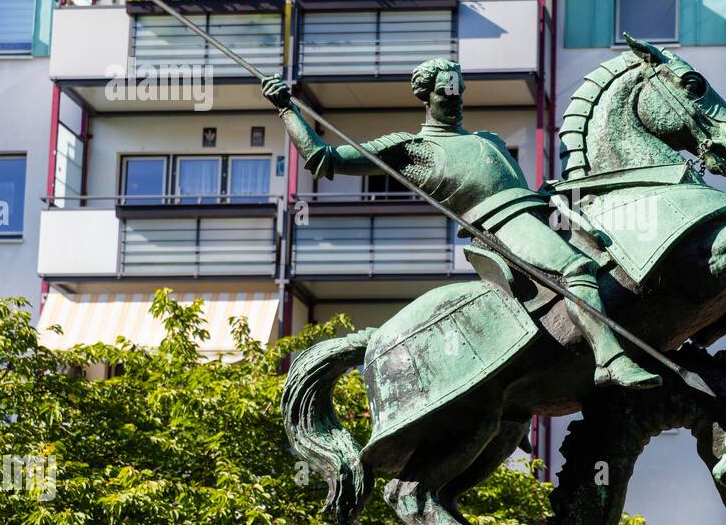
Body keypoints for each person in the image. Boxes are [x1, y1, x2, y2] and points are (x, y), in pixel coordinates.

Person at [262, 58, 661, 390]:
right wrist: (286, 109)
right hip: (500, 224)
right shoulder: (410, 149)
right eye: (444, 92)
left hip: (535, 211)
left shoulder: (489, 140)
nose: (454, 99)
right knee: (577, 268)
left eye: (458, 91)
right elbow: (323, 158)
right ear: (426, 97)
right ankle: (610, 360)